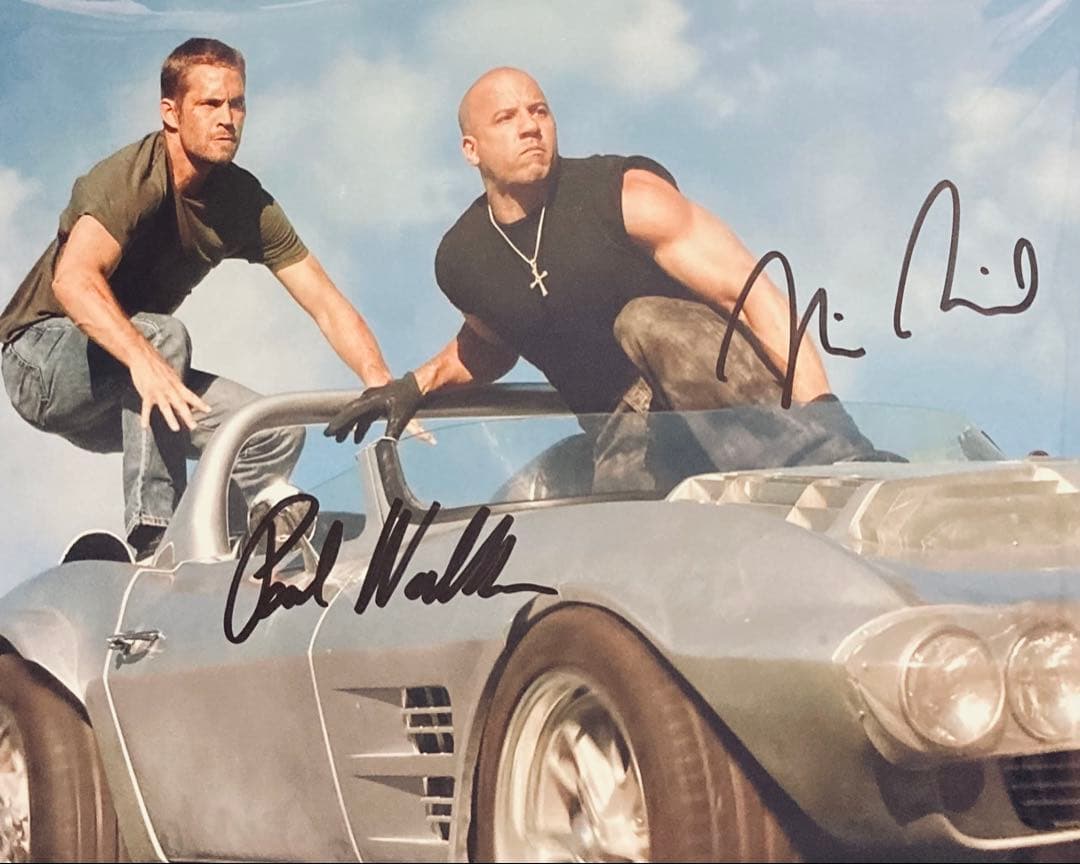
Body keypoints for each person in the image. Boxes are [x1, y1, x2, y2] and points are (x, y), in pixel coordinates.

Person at [327, 67, 864, 486]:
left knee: (644, 320)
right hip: (625, 429)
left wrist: (827, 422)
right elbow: (492, 341)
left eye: (539, 111)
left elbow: (752, 295)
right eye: (506, 118)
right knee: (613, 554)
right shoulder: (463, 260)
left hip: (727, 395)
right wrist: (415, 385)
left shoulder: (624, 195)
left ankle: (816, 471)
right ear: (472, 149)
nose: (530, 126)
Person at [0, 38, 394, 560]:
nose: (227, 119)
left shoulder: (244, 203)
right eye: (210, 104)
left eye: (237, 104)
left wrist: (380, 380)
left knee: (269, 429)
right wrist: (143, 359)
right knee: (163, 336)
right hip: (39, 361)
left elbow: (323, 299)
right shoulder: (132, 177)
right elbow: (73, 280)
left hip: (127, 385)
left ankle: (227, 550)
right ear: (171, 112)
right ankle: (156, 537)